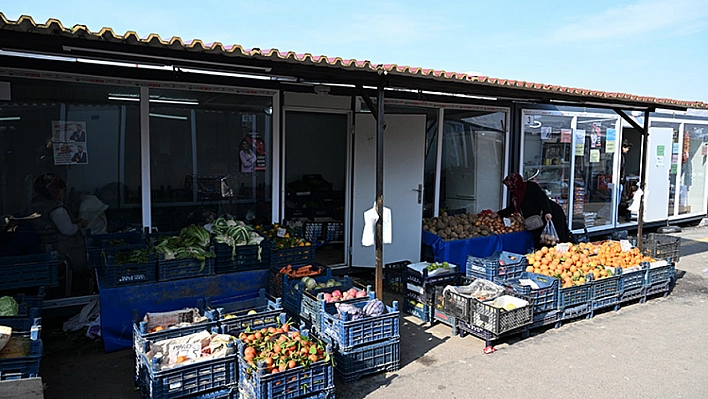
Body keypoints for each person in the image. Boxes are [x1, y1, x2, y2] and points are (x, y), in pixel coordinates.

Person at [27, 173, 89, 295]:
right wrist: (80, 224)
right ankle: (76, 293)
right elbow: (68, 230)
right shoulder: (56, 209)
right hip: (62, 250)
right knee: (78, 271)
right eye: (62, 190)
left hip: (45, 246)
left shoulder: (36, 203)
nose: (63, 194)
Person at [493, 173, 570, 249]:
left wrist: (547, 212)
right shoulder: (516, 196)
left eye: (509, 185)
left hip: (552, 213)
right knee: (542, 242)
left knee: (557, 238)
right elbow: (512, 208)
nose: (509, 188)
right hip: (537, 220)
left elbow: (542, 198)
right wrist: (498, 213)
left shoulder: (530, 186)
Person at [618, 139, 633, 221]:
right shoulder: (619, 156)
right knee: (617, 200)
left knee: (619, 200)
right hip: (619, 181)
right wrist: (621, 179)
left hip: (620, 181)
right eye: (627, 148)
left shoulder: (621, 156)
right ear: (623, 147)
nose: (628, 150)